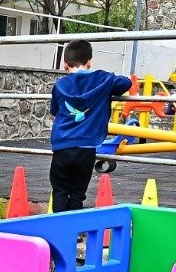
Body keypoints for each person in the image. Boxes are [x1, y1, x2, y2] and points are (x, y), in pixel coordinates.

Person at [49, 39, 132, 212]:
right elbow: (126, 83)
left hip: (62, 144)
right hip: (86, 147)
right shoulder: (102, 79)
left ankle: (58, 225)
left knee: (59, 190)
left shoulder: (60, 85)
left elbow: (55, 110)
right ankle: (75, 225)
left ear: (65, 64)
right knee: (77, 193)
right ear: (90, 62)